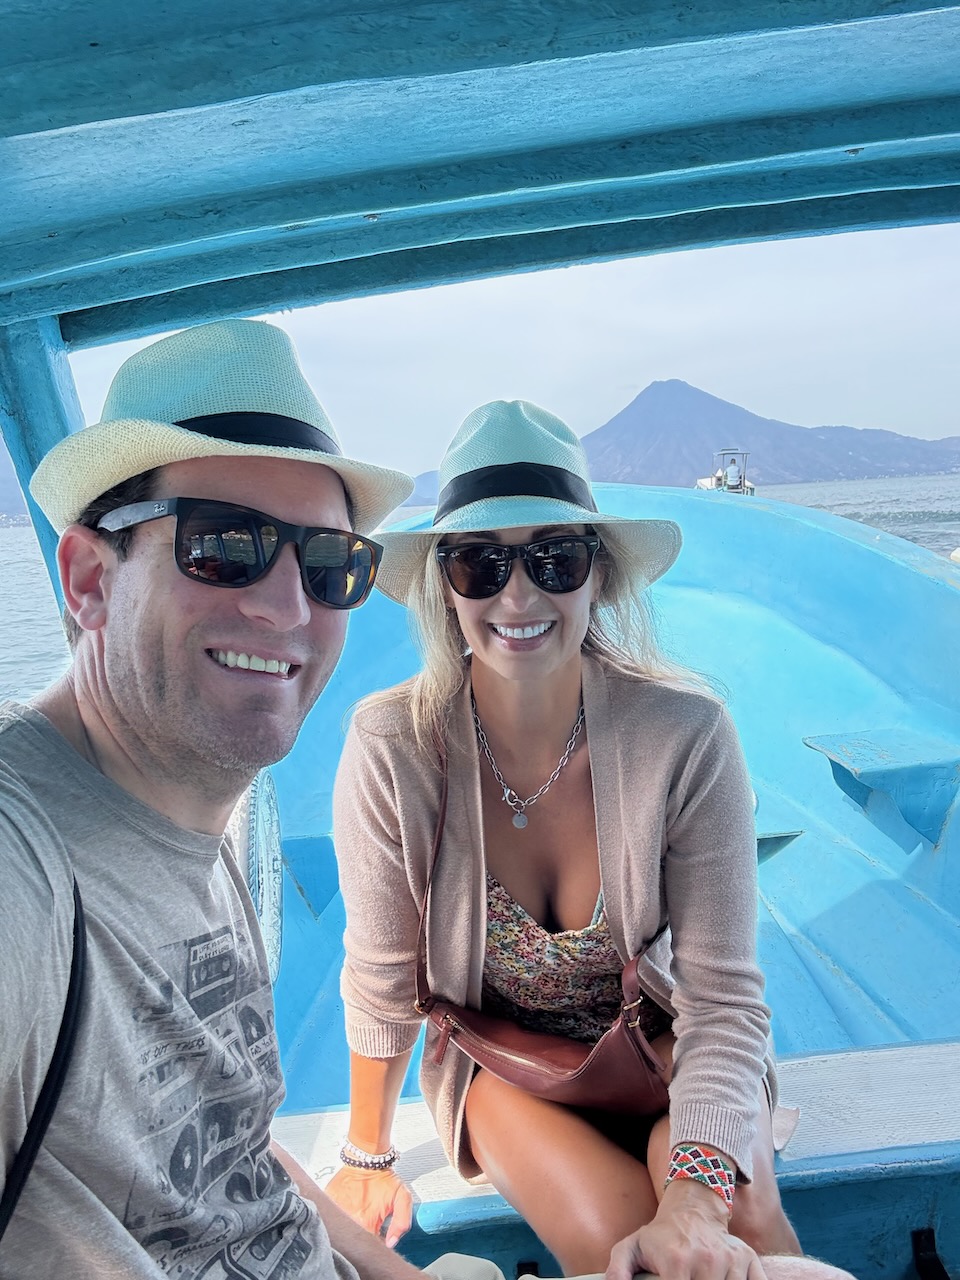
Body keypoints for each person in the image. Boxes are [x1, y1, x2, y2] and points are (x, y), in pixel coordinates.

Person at [328, 401, 850, 1280]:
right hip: (504, 1068)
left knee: (745, 1220)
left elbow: (723, 998)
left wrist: (695, 1200)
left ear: (597, 575)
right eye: (480, 562)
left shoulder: (685, 734)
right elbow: (382, 975)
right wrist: (367, 1157)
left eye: (554, 559)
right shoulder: (393, 747)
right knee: (617, 1242)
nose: (517, 596)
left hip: (668, 1046)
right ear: (444, 584)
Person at [0, 317, 429, 1279]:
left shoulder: (191, 812)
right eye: (223, 545)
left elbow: (233, 1143)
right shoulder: (22, 859)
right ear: (88, 579)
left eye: (330, 563)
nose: (287, 606)